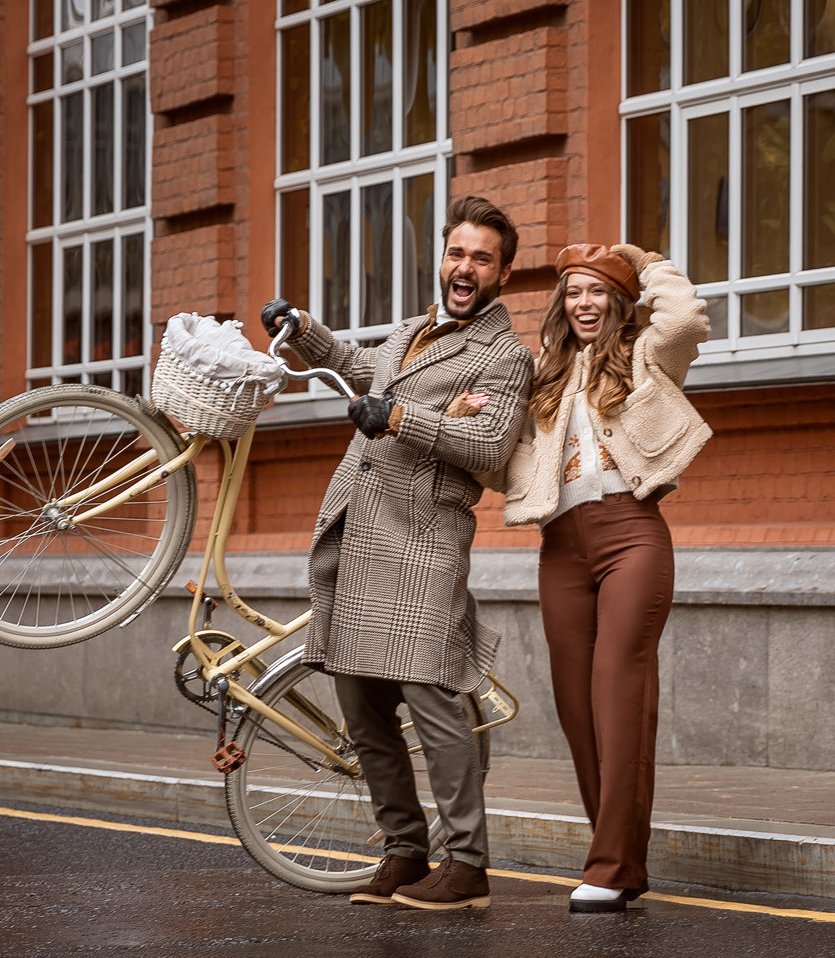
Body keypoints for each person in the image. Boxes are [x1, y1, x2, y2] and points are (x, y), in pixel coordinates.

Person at [261, 194, 532, 911]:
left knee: (432, 697)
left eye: (481, 259)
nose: (464, 267)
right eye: (456, 253)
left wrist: (403, 417)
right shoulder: (413, 329)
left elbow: (488, 446)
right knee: (361, 704)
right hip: (359, 532)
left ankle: (467, 864)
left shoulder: (505, 356)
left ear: (503, 273)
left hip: (422, 542)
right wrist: (303, 330)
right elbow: (360, 367)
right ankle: (406, 850)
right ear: (442, 258)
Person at [500, 243, 711, 913]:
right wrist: (473, 417)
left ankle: (610, 865)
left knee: (618, 696)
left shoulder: (647, 355)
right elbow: (504, 465)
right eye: (573, 292)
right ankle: (620, 857)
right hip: (560, 547)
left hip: (631, 535)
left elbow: (685, 320)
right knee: (576, 707)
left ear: (617, 302)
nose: (583, 303)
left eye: (596, 291)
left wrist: (647, 265)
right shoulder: (544, 374)